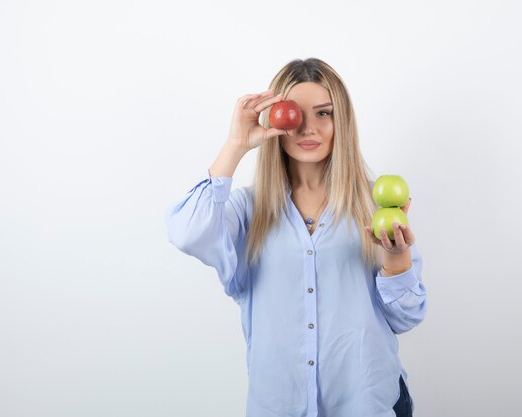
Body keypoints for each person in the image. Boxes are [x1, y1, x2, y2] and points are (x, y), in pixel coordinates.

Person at [165, 58, 427, 417]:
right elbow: (185, 232)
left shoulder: (375, 203)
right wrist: (237, 143)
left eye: (323, 113)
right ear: (276, 118)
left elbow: (406, 319)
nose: (308, 128)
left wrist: (396, 259)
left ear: (342, 122)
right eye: (294, 113)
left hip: (368, 404)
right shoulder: (248, 210)